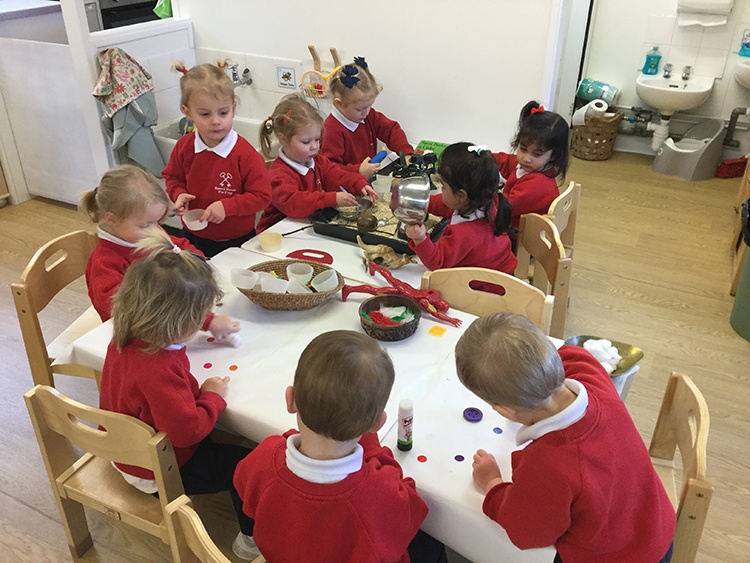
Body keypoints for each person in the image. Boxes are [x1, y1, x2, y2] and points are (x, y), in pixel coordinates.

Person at [454, 313, 676, 563]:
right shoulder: (591, 375)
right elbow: (573, 353)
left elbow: (528, 533)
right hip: (658, 529)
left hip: (615, 558)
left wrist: (492, 483)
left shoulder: (548, 464)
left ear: (505, 411)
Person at [99, 228, 259, 561]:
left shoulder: (129, 336)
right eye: (200, 316)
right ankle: (249, 543)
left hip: (126, 448)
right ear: (177, 322)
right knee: (247, 465)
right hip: (156, 470)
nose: (204, 321)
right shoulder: (157, 369)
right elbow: (187, 432)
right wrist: (211, 397)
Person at [234, 330, 437, 562]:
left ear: (290, 400)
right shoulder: (377, 492)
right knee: (432, 546)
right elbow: (413, 509)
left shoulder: (264, 455)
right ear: (377, 425)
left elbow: (244, 488)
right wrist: (375, 451)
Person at [79, 165, 237, 340]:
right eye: (145, 225)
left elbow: (177, 244)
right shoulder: (105, 262)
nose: (155, 230)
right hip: (137, 338)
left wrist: (193, 261)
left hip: (170, 321)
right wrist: (206, 320)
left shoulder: (144, 235)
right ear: (111, 219)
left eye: (157, 222)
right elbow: (135, 311)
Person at [162, 62, 272, 257]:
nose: (216, 121)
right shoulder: (184, 147)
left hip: (238, 240)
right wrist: (178, 194)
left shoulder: (245, 154)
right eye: (205, 114)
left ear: (233, 108)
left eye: (223, 112)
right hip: (193, 235)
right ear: (188, 113)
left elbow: (262, 196)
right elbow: (172, 177)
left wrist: (227, 207)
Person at [256, 93, 378, 232]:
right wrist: (331, 198)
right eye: (306, 142)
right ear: (283, 139)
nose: (314, 146)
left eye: (317, 139)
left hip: (306, 226)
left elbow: (336, 175)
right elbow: (294, 203)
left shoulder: (317, 161)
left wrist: (358, 183)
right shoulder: (278, 174)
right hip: (276, 232)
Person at [405, 142, 517, 275]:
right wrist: (421, 202)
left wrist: (420, 239)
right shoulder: (482, 203)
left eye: (443, 186)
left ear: (461, 195)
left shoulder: (465, 234)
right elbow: (445, 205)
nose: (441, 189)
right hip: (503, 272)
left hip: (486, 284)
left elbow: (437, 262)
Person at [320, 57, 413, 178]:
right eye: (360, 109)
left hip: (365, 180)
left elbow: (391, 130)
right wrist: (358, 170)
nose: (366, 113)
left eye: (369, 106)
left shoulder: (367, 116)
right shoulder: (332, 130)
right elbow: (329, 169)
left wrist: (406, 153)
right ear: (339, 104)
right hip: (347, 184)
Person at [491, 101, 569, 230]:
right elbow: (506, 161)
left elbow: (504, 207)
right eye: (523, 149)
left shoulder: (538, 184)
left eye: (537, 154)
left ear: (553, 155)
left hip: (521, 233)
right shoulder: (532, 165)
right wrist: (485, 157)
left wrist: (484, 193)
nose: (526, 158)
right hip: (514, 220)